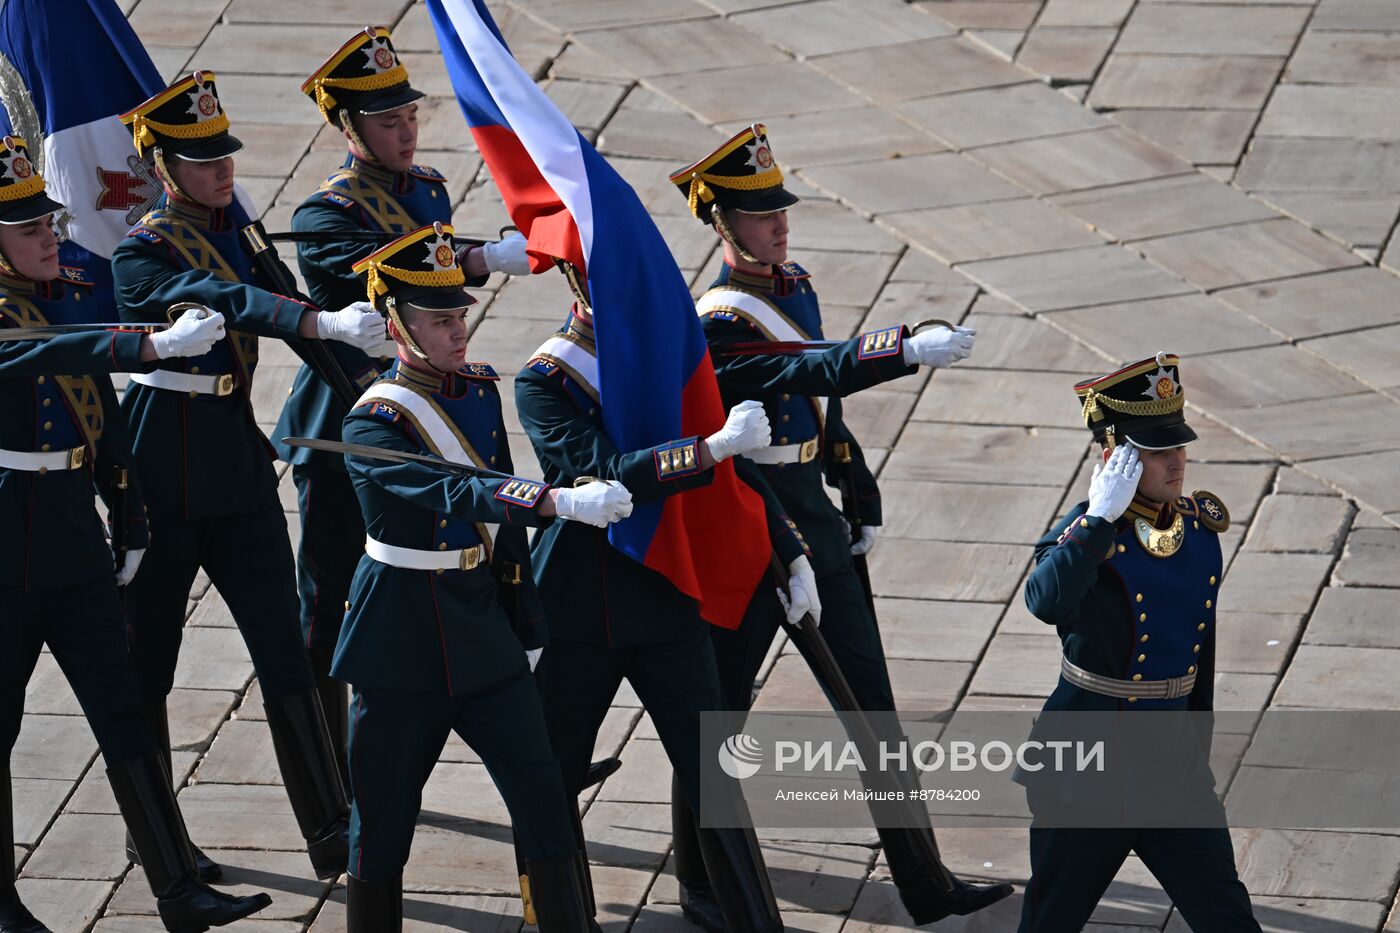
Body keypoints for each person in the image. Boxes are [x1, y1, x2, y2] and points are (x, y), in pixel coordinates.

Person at [669, 124, 1011, 926]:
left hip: (809, 515)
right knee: (718, 713)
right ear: (722, 224)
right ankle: (701, 879)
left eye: (780, 208)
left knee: (871, 705)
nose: (780, 223)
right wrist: (903, 348)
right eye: (759, 214)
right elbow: (807, 366)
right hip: (749, 517)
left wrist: (852, 482)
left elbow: (815, 399)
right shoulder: (720, 318)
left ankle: (924, 881)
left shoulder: (791, 285)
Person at [112, 71, 383, 881]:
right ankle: (157, 837)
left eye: (224, 155)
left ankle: (330, 825)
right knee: (149, 660)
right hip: (162, 470)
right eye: (201, 161)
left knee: (283, 647)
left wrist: (370, 400)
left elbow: (282, 303)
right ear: (164, 167)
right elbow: (229, 300)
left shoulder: (241, 229)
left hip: (233, 463)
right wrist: (312, 316)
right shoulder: (143, 252)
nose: (222, 170)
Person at [0, 136, 271, 932]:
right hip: (7, 552)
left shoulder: (61, 284)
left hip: (74, 548)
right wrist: (147, 344)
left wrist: (127, 511)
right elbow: (46, 351)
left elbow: (97, 412)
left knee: (123, 711)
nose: (52, 237)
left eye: (49, 222)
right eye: (28, 231)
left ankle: (177, 886)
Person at [336, 224, 630, 928]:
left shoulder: (477, 392)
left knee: (545, 801)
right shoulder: (372, 423)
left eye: (460, 313)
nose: (457, 330)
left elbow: (496, 538)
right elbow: (456, 492)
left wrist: (526, 623)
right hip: (399, 643)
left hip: (481, 634)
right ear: (395, 326)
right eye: (439, 319)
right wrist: (555, 500)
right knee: (381, 830)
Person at [274, 26, 535, 771]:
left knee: (456, 568)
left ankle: (511, 731)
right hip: (350, 421)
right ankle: (332, 772)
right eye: (388, 122)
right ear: (349, 127)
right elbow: (387, 275)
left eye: (411, 116)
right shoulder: (325, 215)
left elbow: (439, 270)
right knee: (330, 604)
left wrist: (473, 254)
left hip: (432, 412)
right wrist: (482, 256)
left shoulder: (428, 190)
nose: (406, 132)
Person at [518, 274, 812, 932]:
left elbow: (737, 470)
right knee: (553, 773)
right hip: (582, 609)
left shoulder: (663, 359)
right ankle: (561, 920)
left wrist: (787, 549)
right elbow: (606, 473)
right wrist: (709, 449)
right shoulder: (544, 379)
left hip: (669, 599)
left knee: (716, 769)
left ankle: (751, 919)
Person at [1016, 353, 1260, 932]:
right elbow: (1044, 600)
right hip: (1086, 776)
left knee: (1228, 917)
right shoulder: (1088, 535)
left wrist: (1193, 750)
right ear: (1115, 457)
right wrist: (1100, 519)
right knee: (1052, 922)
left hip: (1172, 771)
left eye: (1178, 447)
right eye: (1156, 451)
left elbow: (1199, 651)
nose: (1176, 462)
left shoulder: (1198, 532)